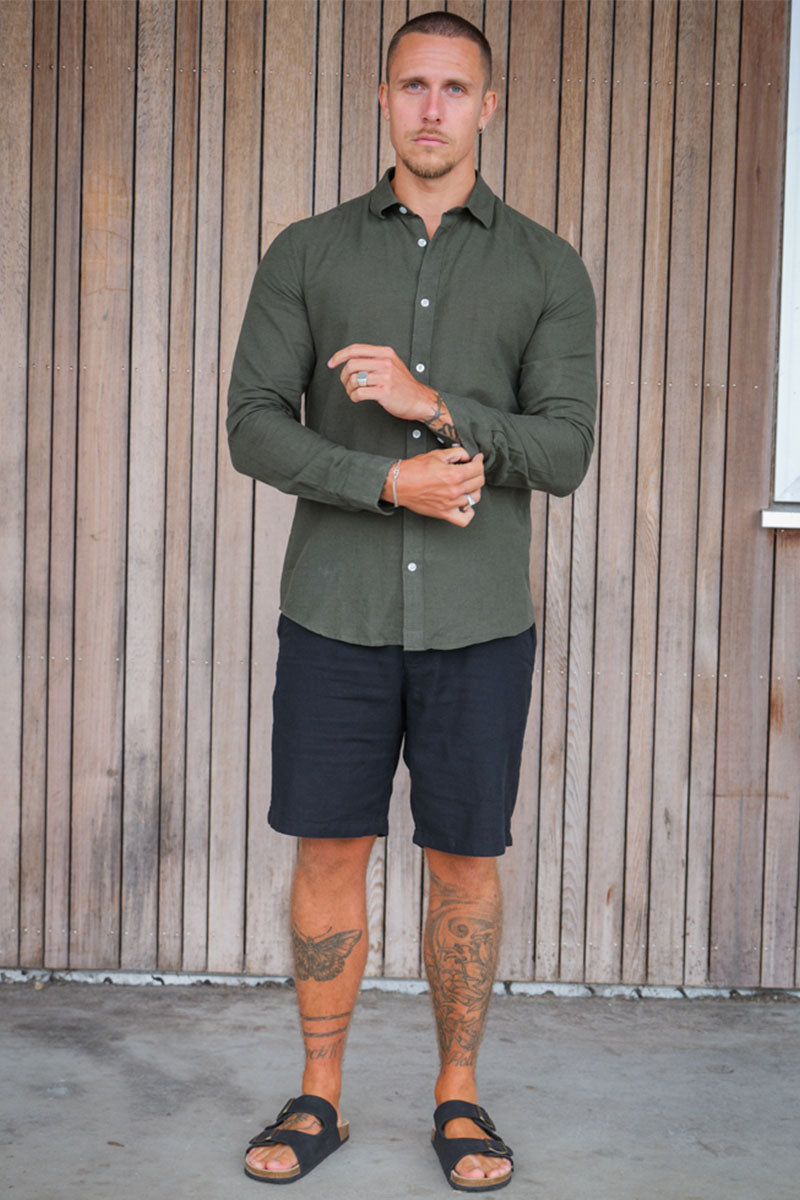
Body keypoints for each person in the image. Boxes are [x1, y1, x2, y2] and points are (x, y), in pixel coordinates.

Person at [227, 10, 596, 1191]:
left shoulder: (544, 268)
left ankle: (458, 1098)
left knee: (462, 862)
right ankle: (318, 1097)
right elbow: (250, 426)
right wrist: (386, 481)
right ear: (381, 98)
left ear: (488, 106)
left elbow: (565, 449)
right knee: (329, 849)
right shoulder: (308, 253)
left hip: (478, 624)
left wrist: (432, 407)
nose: (431, 107)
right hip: (332, 613)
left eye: (454, 88)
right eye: (411, 85)